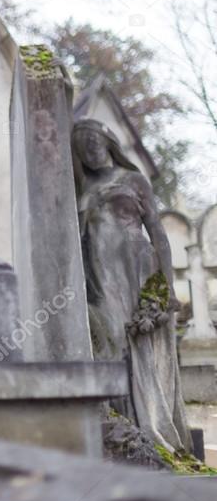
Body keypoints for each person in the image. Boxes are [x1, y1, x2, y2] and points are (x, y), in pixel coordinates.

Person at [72, 118, 190, 453]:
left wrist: (166, 285)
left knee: (143, 342)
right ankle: (126, 427)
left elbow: (158, 232)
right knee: (113, 341)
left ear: (107, 142)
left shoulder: (133, 179)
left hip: (137, 269)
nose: (90, 151)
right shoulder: (81, 190)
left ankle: (150, 426)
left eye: (93, 142)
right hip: (100, 274)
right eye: (82, 147)